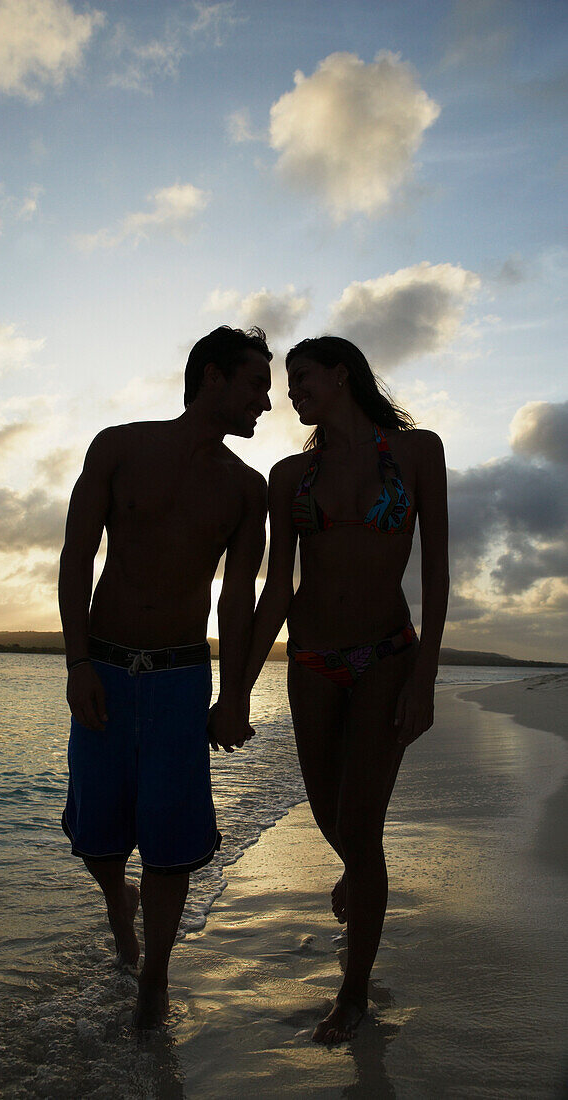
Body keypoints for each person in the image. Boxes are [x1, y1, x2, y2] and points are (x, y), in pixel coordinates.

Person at [58, 325, 271, 1028]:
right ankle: (119, 907)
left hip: (182, 678)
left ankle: (154, 975)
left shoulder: (246, 489)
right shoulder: (118, 446)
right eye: (255, 386)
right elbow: (76, 557)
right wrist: (77, 662)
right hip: (107, 671)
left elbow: (236, 598)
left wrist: (236, 694)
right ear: (212, 377)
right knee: (96, 835)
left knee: (173, 843)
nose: (264, 404)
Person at [240, 335, 449, 1043]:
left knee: (359, 824)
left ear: (339, 374)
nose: (290, 392)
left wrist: (424, 679)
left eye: (301, 378)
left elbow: (438, 573)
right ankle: (355, 874)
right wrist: (233, 687)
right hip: (311, 661)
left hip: (389, 654)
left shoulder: (417, 452)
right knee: (332, 812)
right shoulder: (288, 476)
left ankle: (351, 995)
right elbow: (278, 588)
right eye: (285, 382)